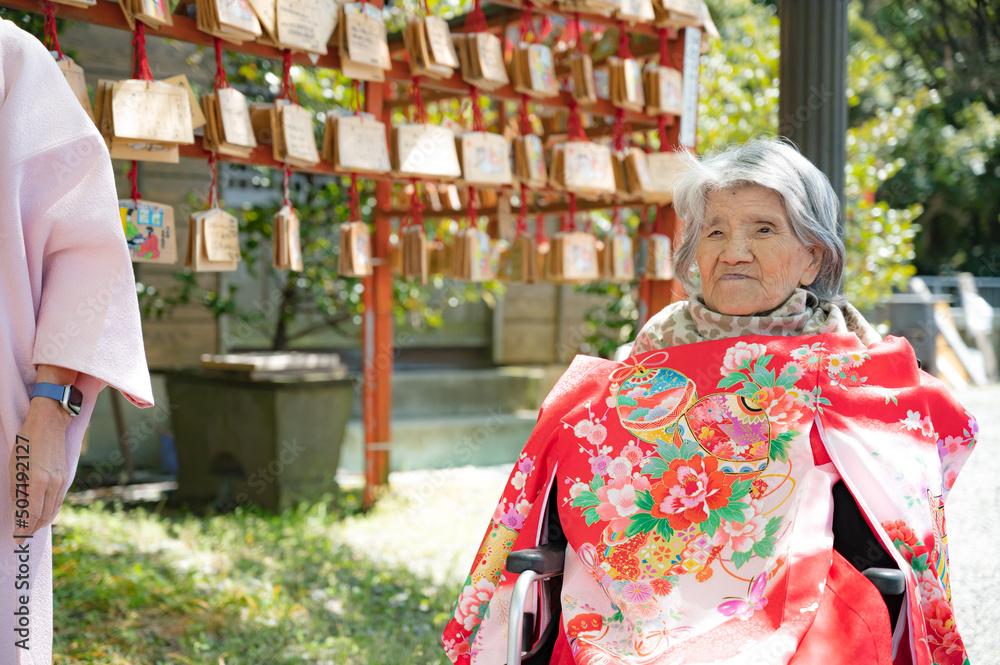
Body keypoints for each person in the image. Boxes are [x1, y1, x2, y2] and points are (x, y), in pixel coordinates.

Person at [442, 137, 975, 665]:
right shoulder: (647, 354)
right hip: (634, 597)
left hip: (801, 587)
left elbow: (928, 464)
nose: (733, 251)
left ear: (813, 257)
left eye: (763, 230)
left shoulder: (854, 363)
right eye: (714, 231)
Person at [0, 19, 154, 664]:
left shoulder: (8, 60)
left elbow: (83, 248)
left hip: (4, 422)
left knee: (11, 617)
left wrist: (49, 414)